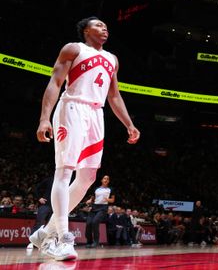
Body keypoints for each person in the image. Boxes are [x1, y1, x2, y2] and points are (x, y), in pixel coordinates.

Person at [29, 17, 140, 261]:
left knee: (88, 177)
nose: (105, 29)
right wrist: (44, 118)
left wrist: (129, 124)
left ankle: (44, 232)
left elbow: (114, 96)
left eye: (106, 26)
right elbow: (55, 82)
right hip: (72, 108)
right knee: (64, 172)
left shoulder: (113, 59)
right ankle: (61, 238)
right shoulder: (74, 49)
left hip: (96, 114)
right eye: (99, 25)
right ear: (85, 30)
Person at [85, 174, 115, 247]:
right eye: (104, 178)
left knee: (95, 222)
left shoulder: (110, 189)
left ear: (108, 181)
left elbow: (113, 200)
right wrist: (89, 201)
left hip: (103, 208)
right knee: (89, 223)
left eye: (107, 179)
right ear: (102, 180)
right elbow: (93, 198)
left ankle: (96, 242)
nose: (106, 180)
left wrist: (107, 199)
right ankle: (89, 241)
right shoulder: (96, 189)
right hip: (94, 207)